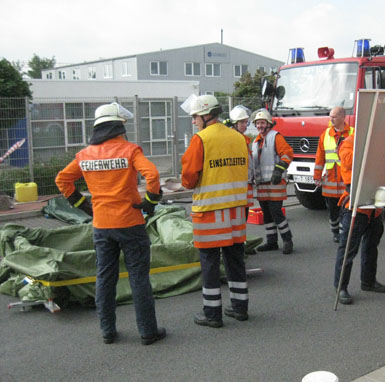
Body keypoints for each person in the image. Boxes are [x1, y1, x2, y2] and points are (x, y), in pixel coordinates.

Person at [55, 102, 166, 345]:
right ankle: (148, 331)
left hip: (102, 226)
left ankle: (107, 331)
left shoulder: (84, 155)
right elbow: (153, 175)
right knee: (138, 277)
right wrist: (150, 201)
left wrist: (81, 204)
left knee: (105, 278)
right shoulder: (130, 150)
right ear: (117, 127)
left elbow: (62, 179)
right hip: (130, 223)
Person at [181, 94, 250, 328]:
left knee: (210, 263)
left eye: (195, 117)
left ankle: (212, 314)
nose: (193, 122)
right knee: (235, 259)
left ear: (205, 115)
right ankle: (240, 308)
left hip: (210, 212)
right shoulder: (239, 138)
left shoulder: (200, 140)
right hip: (237, 211)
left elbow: (189, 179)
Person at [333, 134, 385, 304]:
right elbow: (348, 161)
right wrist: (370, 152)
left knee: (371, 245)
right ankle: (341, 287)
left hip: (374, 203)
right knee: (348, 249)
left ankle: (368, 281)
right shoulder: (348, 143)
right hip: (355, 203)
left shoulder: (376, 142)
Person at [251, 109, 295, 255]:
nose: (259, 126)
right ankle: (272, 242)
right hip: (262, 185)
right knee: (267, 215)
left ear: (269, 124)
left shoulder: (275, 137)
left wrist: (279, 170)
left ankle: (287, 240)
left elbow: (287, 154)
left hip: (275, 183)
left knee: (276, 213)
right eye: (257, 123)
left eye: (262, 123)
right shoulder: (256, 142)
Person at [314, 106, 354, 243]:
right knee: (332, 210)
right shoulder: (325, 135)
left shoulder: (353, 133)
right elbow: (320, 157)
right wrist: (317, 175)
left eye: (334, 117)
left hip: (346, 181)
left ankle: (344, 232)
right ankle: (335, 232)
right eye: (330, 116)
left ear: (343, 117)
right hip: (330, 181)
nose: (331, 119)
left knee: (345, 209)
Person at [228, 105, 256, 254]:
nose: (246, 125)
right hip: (238, 187)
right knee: (238, 218)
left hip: (244, 185)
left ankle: (241, 244)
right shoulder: (234, 139)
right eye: (242, 122)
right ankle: (238, 246)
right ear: (235, 123)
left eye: (246, 122)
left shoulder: (242, 139)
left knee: (242, 217)